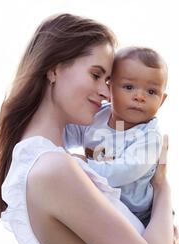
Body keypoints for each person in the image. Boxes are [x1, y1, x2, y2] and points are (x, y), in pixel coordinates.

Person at [0, 13, 179, 244]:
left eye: (109, 80)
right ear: (53, 69)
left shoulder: (53, 164)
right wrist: (162, 186)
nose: (106, 92)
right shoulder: (54, 168)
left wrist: (163, 230)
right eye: (96, 75)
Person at [64, 47, 169, 227]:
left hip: (138, 214)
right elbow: (67, 132)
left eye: (151, 92)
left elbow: (125, 170)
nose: (139, 97)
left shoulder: (149, 136)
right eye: (129, 87)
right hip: (102, 201)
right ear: (109, 89)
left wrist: (82, 165)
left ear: (162, 100)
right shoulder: (97, 116)